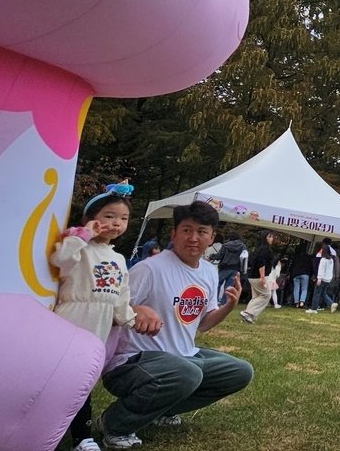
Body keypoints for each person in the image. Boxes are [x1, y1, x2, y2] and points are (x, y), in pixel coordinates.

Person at [99, 201, 251, 449]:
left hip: (183, 356)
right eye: (186, 230)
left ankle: (160, 411)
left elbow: (201, 325)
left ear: (212, 237)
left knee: (240, 371)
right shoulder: (149, 269)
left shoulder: (209, 272)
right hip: (131, 361)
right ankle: (114, 424)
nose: (193, 238)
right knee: (188, 373)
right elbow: (108, 309)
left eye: (201, 232)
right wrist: (136, 309)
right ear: (174, 234)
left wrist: (227, 308)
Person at [51, 183, 160, 451]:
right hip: (74, 317)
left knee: (83, 382)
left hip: (101, 326)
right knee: (60, 376)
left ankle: (82, 437)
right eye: (109, 216)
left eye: (123, 218)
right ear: (91, 218)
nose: (117, 223)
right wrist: (84, 234)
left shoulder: (119, 258)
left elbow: (121, 296)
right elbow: (59, 260)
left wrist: (130, 319)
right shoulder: (79, 247)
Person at [240, 232, 276, 324]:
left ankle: (248, 316)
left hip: (253, 276)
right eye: (270, 236)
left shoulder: (258, 249)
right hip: (259, 276)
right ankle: (248, 312)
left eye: (272, 237)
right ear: (265, 238)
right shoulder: (265, 249)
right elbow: (261, 263)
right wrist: (262, 276)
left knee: (256, 297)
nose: (272, 239)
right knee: (266, 295)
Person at [213, 234, 247, 307]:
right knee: (229, 287)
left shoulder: (225, 245)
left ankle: (214, 301)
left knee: (217, 284)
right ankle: (224, 303)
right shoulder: (243, 246)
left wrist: (212, 256)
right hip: (235, 269)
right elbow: (244, 258)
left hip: (224, 268)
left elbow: (219, 256)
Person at [307, 244, 336, 314]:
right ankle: (331, 303)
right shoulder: (331, 260)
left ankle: (314, 309)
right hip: (328, 279)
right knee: (323, 293)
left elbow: (321, 270)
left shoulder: (323, 260)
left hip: (322, 279)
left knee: (316, 293)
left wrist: (319, 278)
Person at [288, 243, 312, 308]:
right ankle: (302, 302)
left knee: (296, 288)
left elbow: (292, 266)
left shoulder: (295, 257)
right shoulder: (308, 257)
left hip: (295, 274)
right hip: (305, 274)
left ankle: (296, 303)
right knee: (304, 289)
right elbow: (310, 266)